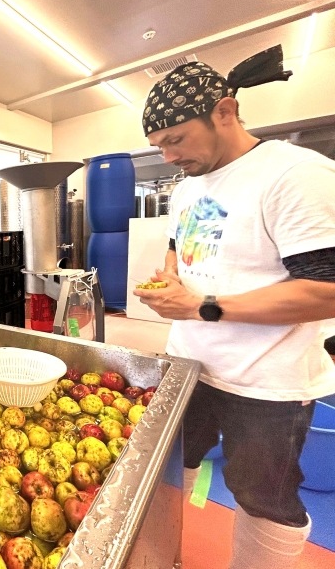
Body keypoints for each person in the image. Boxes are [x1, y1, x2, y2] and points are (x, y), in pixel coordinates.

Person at [135, 45, 335, 569]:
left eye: (175, 140)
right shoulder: (186, 189)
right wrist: (167, 285)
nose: (170, 156)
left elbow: (325, 289)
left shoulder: (293, 174)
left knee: (261, 498)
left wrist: (203, 307)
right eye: (160, 146)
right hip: (189, 368)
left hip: (267, 383)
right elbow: (179, 256)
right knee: (166, 469)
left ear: (225, 111)